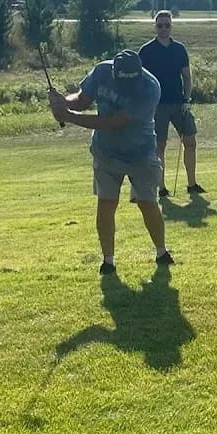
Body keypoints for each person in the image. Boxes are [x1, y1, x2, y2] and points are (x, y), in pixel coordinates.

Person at [48, 49, 174, 275]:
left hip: (141, 153)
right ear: (114, 73)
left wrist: (68, 116)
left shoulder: (150, 88)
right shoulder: (101, 71)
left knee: (147, 203)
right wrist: (62, 103)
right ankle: (108, 261)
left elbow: (114, 122)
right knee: (106, 203)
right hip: (106, 152)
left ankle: (161, 252)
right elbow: (83, 100)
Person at [139, 9, 205, 198]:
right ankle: (161, 188)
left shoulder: (179, 49)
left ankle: (192, 185)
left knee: (190, 141)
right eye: (160, 25)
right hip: (157, 105)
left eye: (167, 25)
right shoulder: (146, 50)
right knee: (159, 146)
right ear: (155, 27)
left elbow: (186, 76)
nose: (163, 29)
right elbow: (140, 79)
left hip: (179, 104)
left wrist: (187, 99)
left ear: (171, 27)